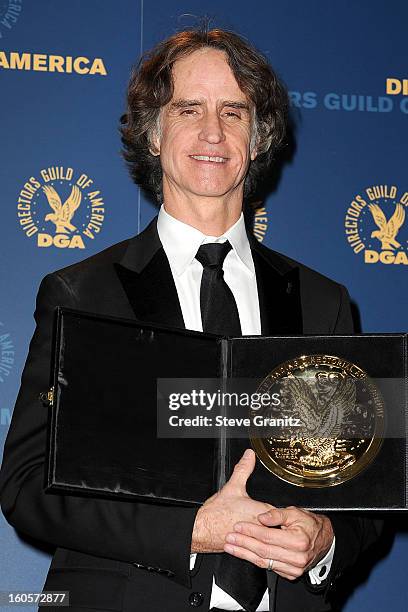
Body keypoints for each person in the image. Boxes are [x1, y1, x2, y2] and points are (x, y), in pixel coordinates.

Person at [0, 27, 382, 612]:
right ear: (154, 133)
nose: (213, 133)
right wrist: (189, 531)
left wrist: (327, 539)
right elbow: (27, 484)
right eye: (189, 109)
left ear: (258, 139)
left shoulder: (322, 299)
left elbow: (363, 493)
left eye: (234, 111)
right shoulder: (82, 292)